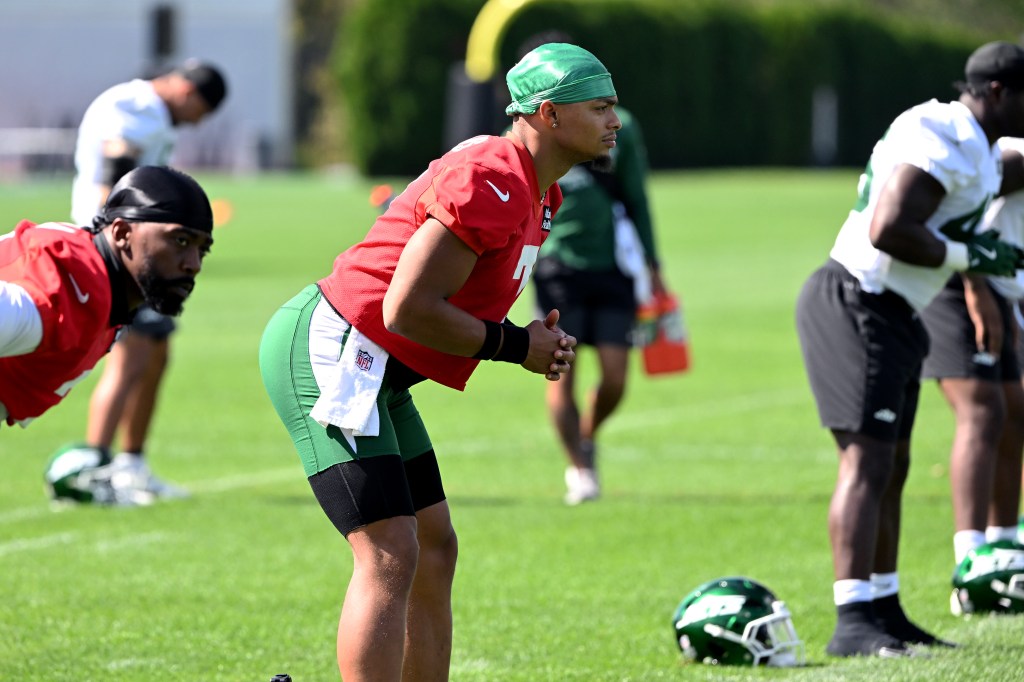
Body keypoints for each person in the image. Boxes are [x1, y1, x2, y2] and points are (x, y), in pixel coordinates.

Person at [259, 42, 617, 680]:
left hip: (380, 369)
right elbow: (406, 307)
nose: (614, 120)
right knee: (390, 550)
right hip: (338, 348)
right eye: (600, 106)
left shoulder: (538, 192)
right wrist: (515, 345)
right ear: (548, 115)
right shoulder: (496, 175)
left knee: (434, 546)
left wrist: (525, 339)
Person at [795, 40, 1024, 658]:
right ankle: (851, 619)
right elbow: (889, 228)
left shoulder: (969, 140)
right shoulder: (943, 133)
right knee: (866, 465)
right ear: (998, 93)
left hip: (893, 311)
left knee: (892, 466)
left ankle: (884, 608)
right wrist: (969, 257)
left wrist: (971, 262)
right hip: (857, 300)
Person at [70, 59, 227, 499]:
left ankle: (130, 464)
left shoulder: (151, 111)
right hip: (122, 255)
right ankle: (94, 468)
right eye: (201, 111)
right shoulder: (136, 105)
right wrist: (111, 241)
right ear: (187, 90)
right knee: (132, 357)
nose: (196, 123)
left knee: (154, 353)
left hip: (142, 254)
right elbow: (114, 169)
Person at [0, 165, 214, 429]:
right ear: (123, 233)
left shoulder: (101, 290)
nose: (194, 264)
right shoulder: (68, 292)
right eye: (180, 241)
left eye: (202, 250)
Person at [922, 133, 1024, 577]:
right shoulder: (1015, 159)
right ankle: (972, 562)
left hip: (1006, 295)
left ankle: (1004, 550)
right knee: (983, 412)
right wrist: (977, 289)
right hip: (964, 285)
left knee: (1013, 412)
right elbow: (953, 213)